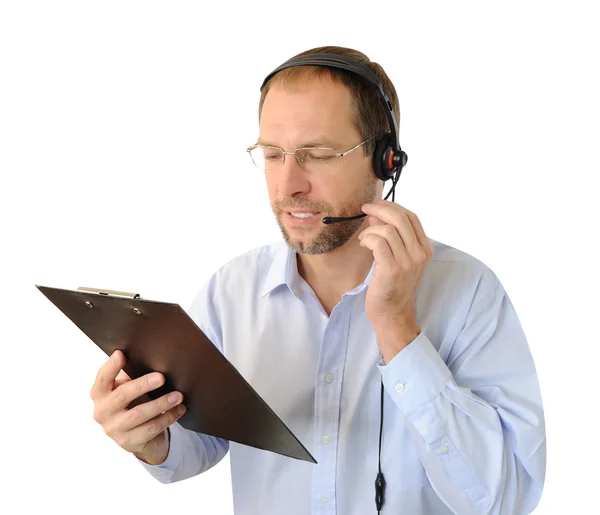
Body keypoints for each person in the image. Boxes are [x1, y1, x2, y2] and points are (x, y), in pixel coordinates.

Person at [90, 46, 546, 514]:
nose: (288, 185)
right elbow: (197, 445)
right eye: (272, 154)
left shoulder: (469, 293)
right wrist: (150, 437)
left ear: (385, 160)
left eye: (318, 154)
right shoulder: (232, 291)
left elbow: (503, 499)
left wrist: (397, 328)